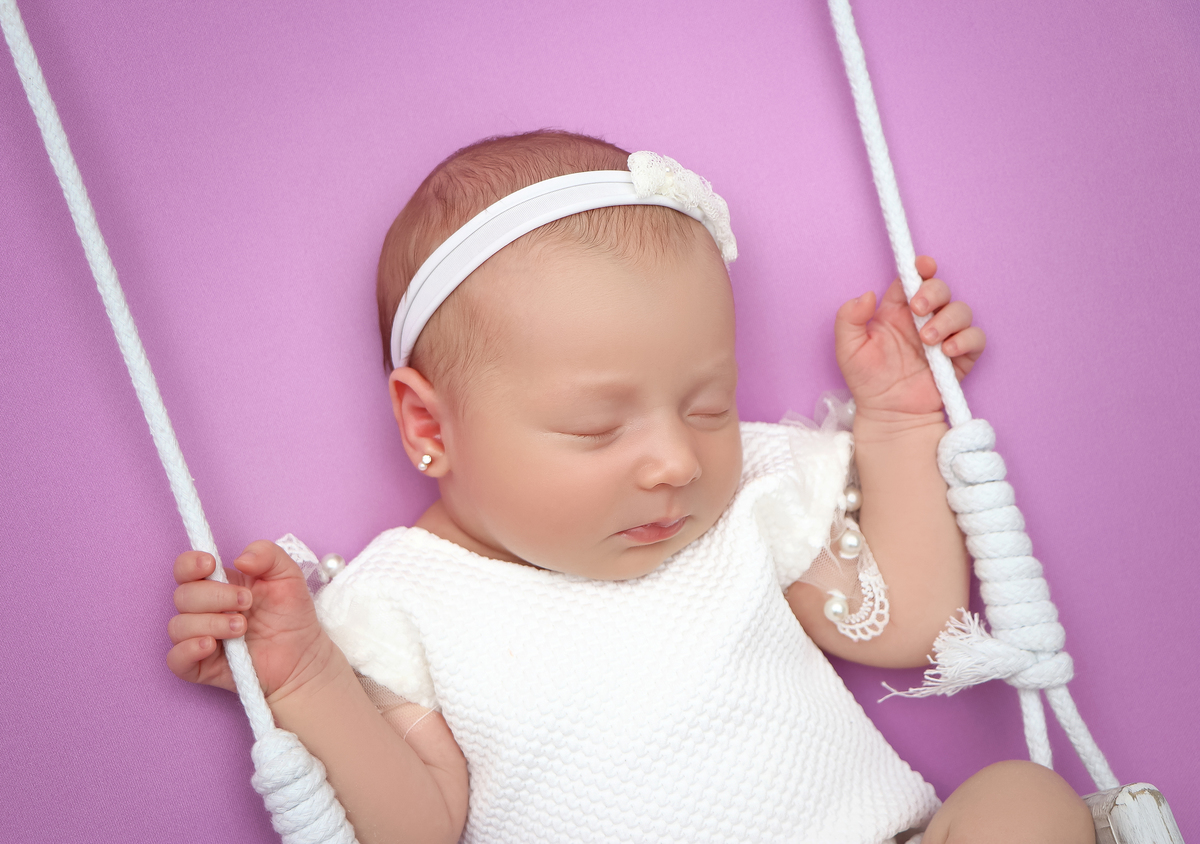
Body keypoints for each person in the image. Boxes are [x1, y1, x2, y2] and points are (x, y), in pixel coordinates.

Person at [166, 131, 1093, 843]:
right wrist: (305, 681)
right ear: (430, 427)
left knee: (1027, 801)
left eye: (707, 406)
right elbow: (417, 827)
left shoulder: (737, 507)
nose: (676, 463)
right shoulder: (409, 600)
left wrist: (901, 422)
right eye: (597, 428)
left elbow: (910, 624)